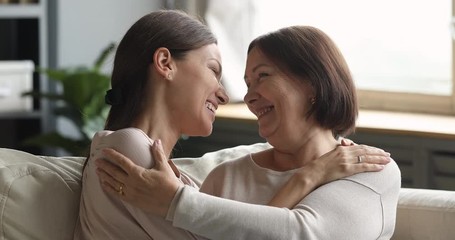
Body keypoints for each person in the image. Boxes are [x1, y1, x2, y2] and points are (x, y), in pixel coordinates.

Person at [94, 23, 400, 239]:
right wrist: (310, 176)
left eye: (262, 76)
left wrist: (177, 202)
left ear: (313, 85)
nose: (248, 96)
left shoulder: (370, 169)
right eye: (247, 83)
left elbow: (304, 233)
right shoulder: (225, 178)